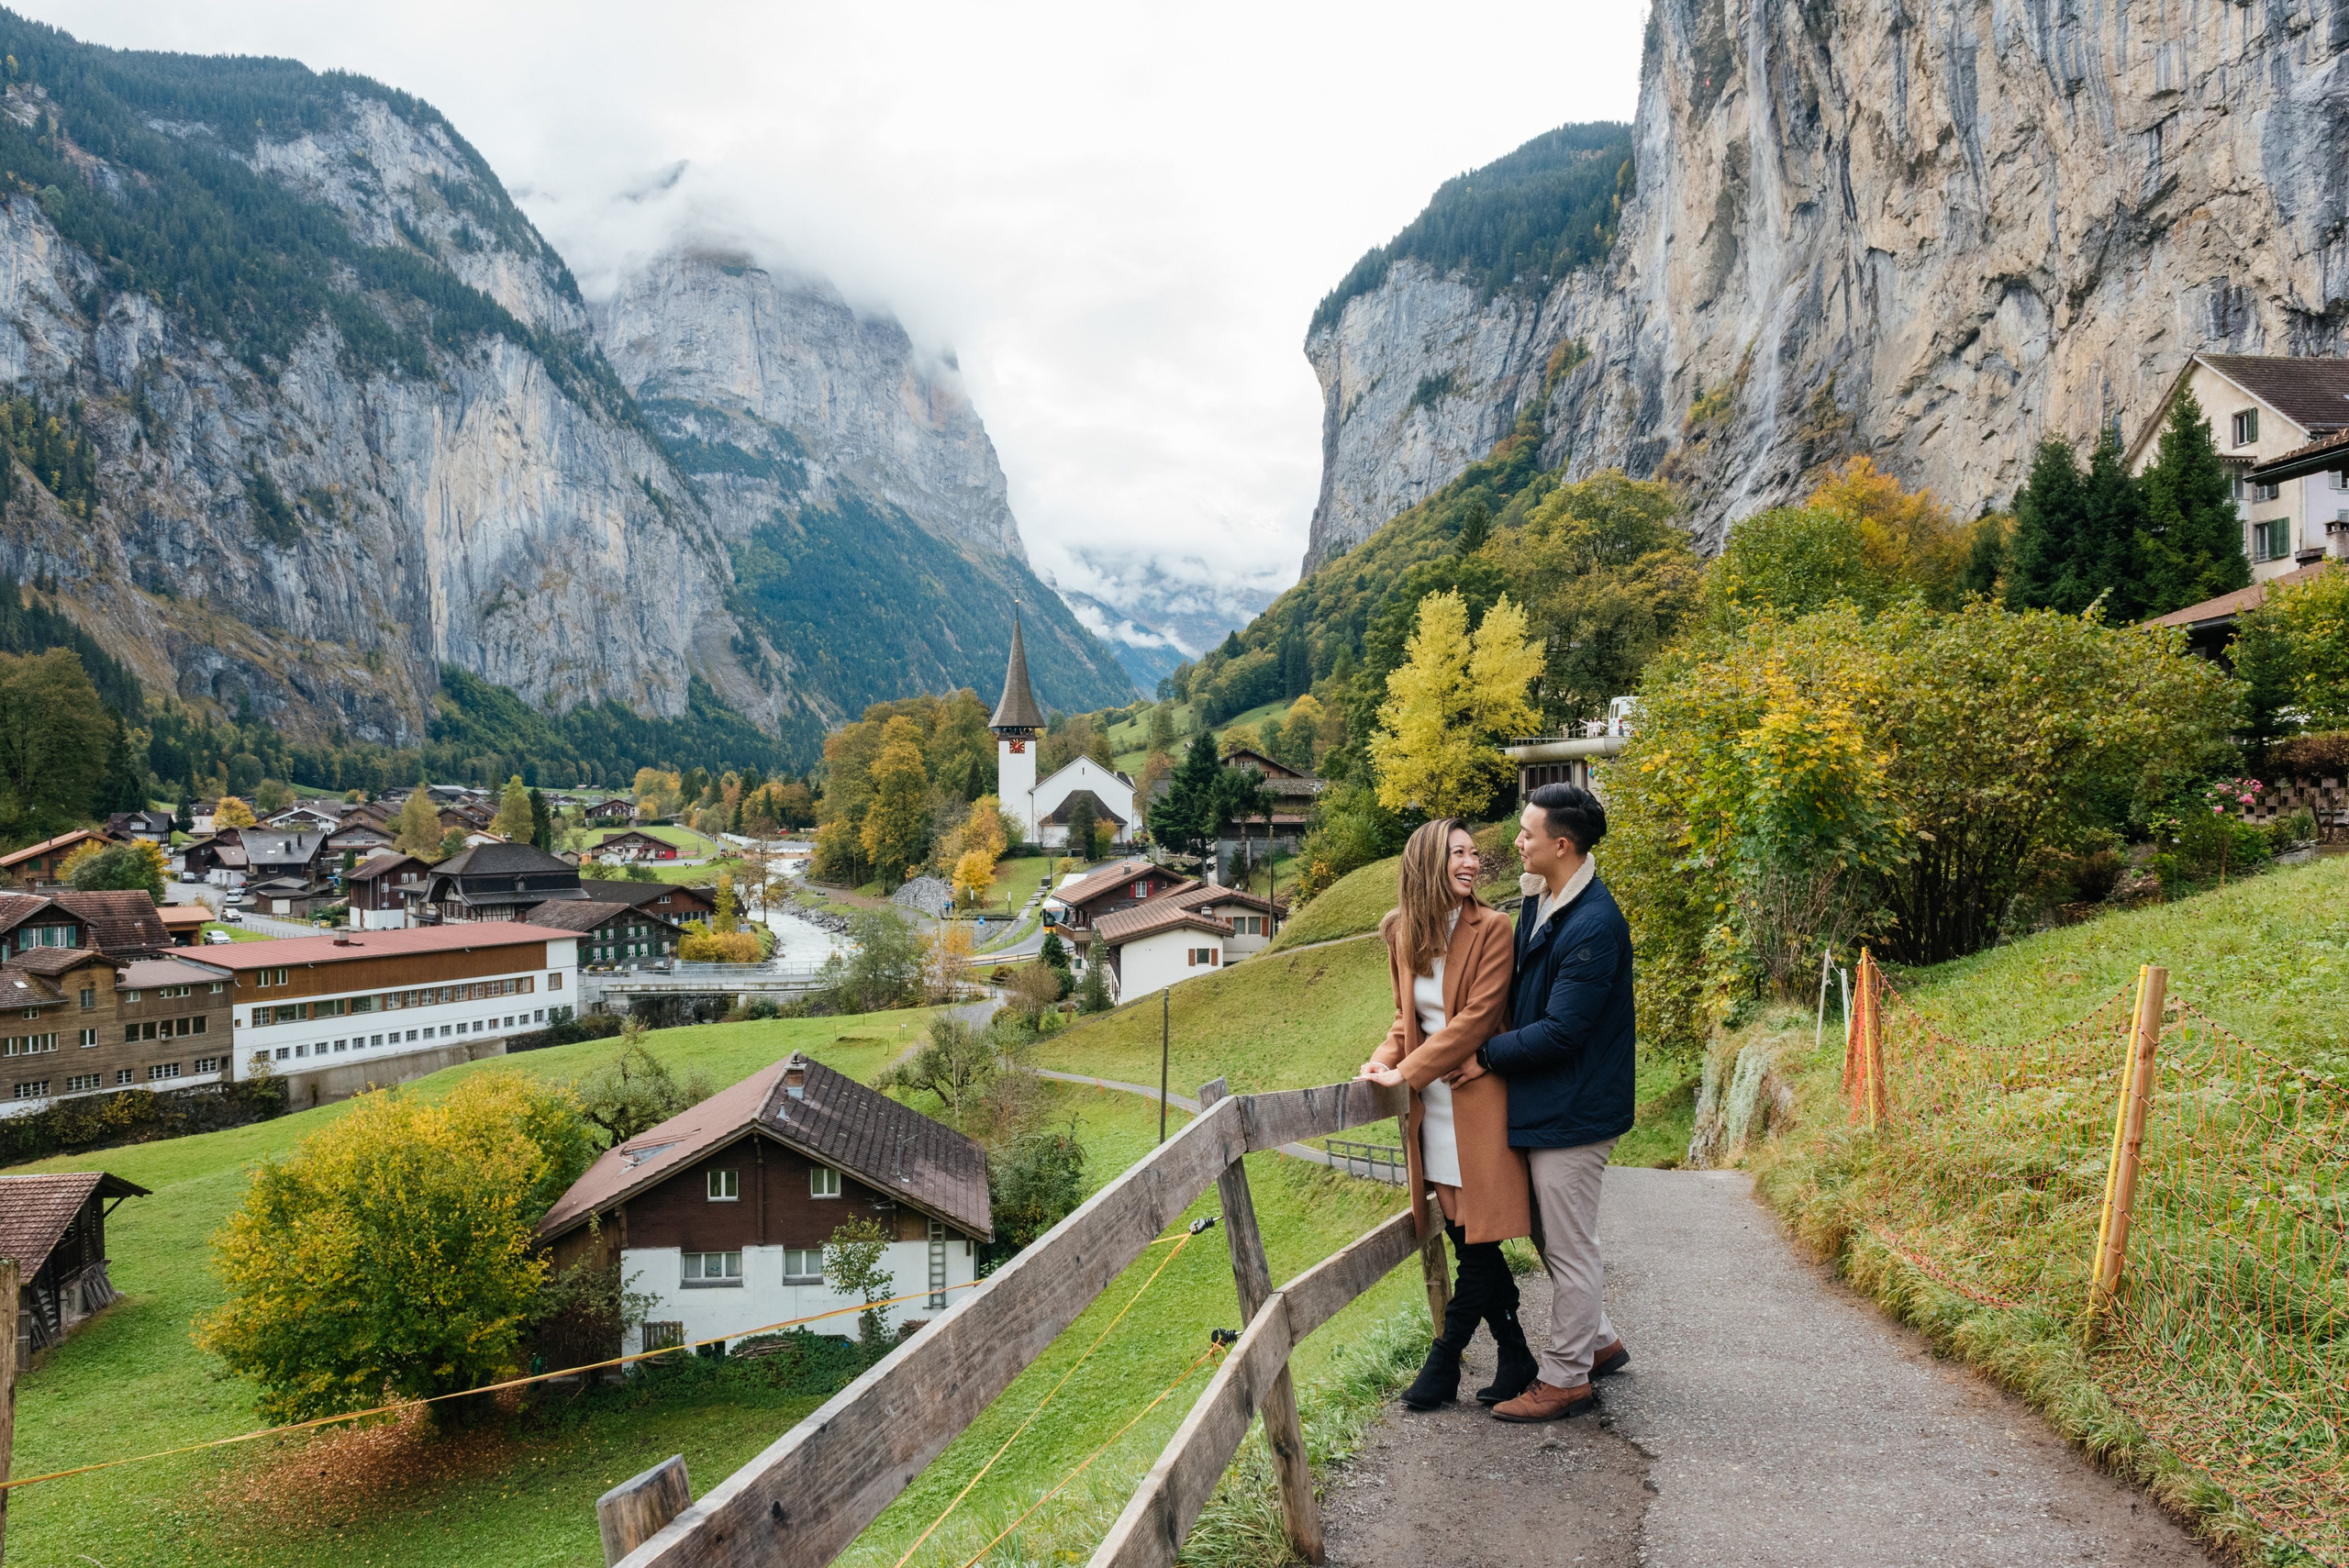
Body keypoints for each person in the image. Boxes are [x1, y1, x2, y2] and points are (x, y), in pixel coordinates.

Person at [1360, 817, 1536, 1411]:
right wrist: (1382, 1060)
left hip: (1478, 1104)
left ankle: (1443, 1363)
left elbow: (1478, 1019)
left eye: (1473, 853)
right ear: (1428, 862)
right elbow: (1404, 1019)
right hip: (1431, 1109)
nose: (1471, 862)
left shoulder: (1494, 928)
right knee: (1469, 1243)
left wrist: (1407, 1071)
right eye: (1457, 852)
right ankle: (1515, 1354)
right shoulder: (1402, 933)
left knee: (1479, 1241)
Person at [1475, 781, 1636, 1423]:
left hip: (1575, 1109)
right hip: (1553, 1104)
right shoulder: (1544, 899)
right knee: (1551, 1233)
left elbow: (1563, 1030)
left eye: (1527, 832)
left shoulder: (1593, 923)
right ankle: (1599, 1343)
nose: (1517, 840)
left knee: (1570, 1247)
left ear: (1561, 845)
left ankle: (1566, 1378)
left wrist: (1485, 1054)